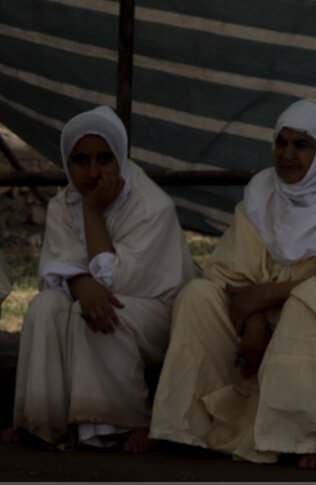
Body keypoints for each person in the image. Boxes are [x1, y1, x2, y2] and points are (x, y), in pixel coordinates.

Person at [149, 99, 316, 468]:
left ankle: (312, 433)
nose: (287, 154)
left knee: (315, 296)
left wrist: (269, 295)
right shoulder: (261, 198)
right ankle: (190, 427)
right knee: (198, 295)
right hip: (252, 330)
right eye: (281, 142)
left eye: (301, 145)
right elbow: (227, 273)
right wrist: (253, 318)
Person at [8, 105, 196, 451]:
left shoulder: (152, 206)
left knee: (102, 312)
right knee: (44, 306)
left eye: (104, 159)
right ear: (67, 162)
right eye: (80, 161)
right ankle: (41, 423)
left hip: (157, 317)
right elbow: (55, 272)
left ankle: (124, 421)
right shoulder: (62, 204)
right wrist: (83, 285)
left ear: (120, 158)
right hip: (99, 300)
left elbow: (118, 284)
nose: (93, 172)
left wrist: (92, 212)